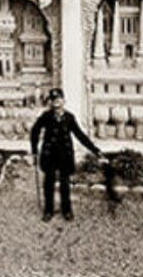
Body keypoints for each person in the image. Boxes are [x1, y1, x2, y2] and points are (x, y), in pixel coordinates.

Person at [30, 88, 102, 222]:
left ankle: (67, 210)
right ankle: (48, 210)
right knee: (49, 184)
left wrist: (95, 150)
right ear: (50, 103)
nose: (56, 102)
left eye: (59, 99)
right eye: (53, 100)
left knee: (65, 184)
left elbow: (80, 135)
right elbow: (34, 131)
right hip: (49, 154)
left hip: (64, 155)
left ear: (64, 101)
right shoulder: (46, 117)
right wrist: (34, 150)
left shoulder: (69, 118)